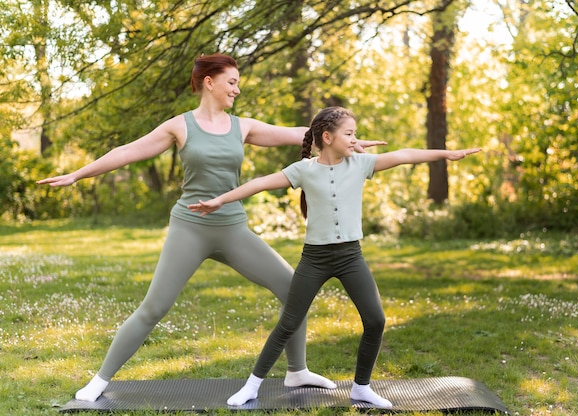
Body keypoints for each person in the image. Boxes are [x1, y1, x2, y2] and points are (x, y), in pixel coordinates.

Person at [36, 54, 385, 402]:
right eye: (231, 82)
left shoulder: (242, 126)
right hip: (190, 228)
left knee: (291, 289)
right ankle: (100, 379)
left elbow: (302, 134)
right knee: (155, 307)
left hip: (233, 228)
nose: (237, 88)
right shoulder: (180, 126)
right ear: (209, 82)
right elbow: (128, 151)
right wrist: (78, 174)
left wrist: (349, 140)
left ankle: (297, 371)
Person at [188, 106, 482, 408]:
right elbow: (259, 183)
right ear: (327, 137)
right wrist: (219, 201)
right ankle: (251, 386)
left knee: (376, 320)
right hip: (314, 259)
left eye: (355, 134)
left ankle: (361, 388)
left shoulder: (360, 164)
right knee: (289, 322)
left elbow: (404, 155)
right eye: (350, 134)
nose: (357, 140)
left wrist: (446, 153)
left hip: (350, 257)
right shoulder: (304, 169)